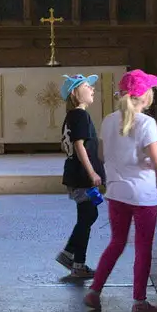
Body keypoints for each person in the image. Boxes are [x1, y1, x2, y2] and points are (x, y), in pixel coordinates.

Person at [84, 69, 157, 312]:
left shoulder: (108, 120)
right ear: (145, 96)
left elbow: (100, 154)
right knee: (143, 248)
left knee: (116, 243)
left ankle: (95, 290)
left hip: (116, 192)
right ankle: (139, 302)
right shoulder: (147, 123)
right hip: (142, 195)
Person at [55, 74, 104, 280]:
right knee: (87, 216)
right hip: (83, 175)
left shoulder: (73, 116)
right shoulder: (80, 115)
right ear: (75, 93)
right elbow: (78, 145)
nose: (92, 89)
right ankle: (75, 260)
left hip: (77, 174)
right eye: (87, 86)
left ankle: (72, 257)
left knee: (89, 215)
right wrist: (92, 172)